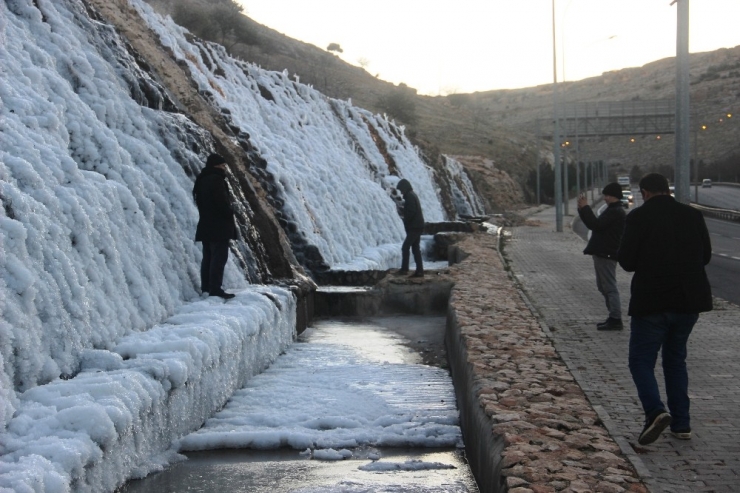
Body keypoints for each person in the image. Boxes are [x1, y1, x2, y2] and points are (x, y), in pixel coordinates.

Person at [617, 173, 712, 445]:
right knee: (675, 361)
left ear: (645, 192)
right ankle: (682, 424)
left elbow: (627, 262)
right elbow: (705, 256)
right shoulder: (692, 215)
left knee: (640, 361)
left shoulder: (638, 217)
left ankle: (655, 411)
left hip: (652, 302)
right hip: (688, 302)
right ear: (667, 190)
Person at [577, 182, 627, 330]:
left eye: (607, 195)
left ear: (614, 196)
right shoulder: (612, 210)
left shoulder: (615, 211)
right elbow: (594, 224)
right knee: (603, 286)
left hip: (607, 253)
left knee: (609, 287)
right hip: (603, 252)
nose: (605, 198)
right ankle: (612, 316)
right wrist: (582, 210)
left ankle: (615, 319)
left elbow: (596, 225)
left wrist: (586, 208)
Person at [193, 153, 237, 299]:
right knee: (219, 258)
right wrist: (230, 212)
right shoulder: (217, 180)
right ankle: (215, 289)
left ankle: (206, 287)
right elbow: (221, 203)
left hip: (206, 224)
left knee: (208, 257)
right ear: (216, 166)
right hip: (219, 226)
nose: (225, 168)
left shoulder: (202, 179)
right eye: (223, 165)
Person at [395, 179, 425, 278]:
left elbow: (411, 212)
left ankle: (404, 269)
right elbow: (411, 210)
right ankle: (419, 271)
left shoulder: (409, 196)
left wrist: (405, 218)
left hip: (414, 227)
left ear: (405, 188)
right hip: (418, 226)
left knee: (405, 247)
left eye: (401, 190)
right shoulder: (412, 195)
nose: (401, 192)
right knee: (415, 248)